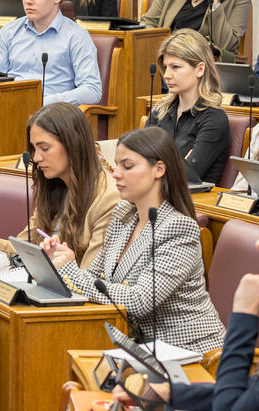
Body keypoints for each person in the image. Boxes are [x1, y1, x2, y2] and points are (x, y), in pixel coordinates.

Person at [44, 126, 226, 353]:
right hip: (137, 346)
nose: (116, 174)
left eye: (127, 166)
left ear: (158, 169)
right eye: (116, 165)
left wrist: (70, 270)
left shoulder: (179, 228)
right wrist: (60, 260)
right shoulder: (123, 215)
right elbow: (94, 278)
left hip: (189, 352)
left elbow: (140, 300)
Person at [112, 238, 259, 409]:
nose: (257, 243)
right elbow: (247, 394)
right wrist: (168, 393)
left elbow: (227, 407)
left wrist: (243, 316)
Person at [0, 103, 120, 268]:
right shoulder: (54, 185)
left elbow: (90, 275)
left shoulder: (109, 198)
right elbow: (26, 249)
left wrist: (64, 265)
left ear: (73, 145)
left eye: (44, 148)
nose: (36, 158)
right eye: (34, 149)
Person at [0, 0, 102, 105]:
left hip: (51, 112)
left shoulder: (77, 36)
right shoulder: (8, 32)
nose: (28, 1)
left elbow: (92, 90)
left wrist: (42, 102)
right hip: (9, 108)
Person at [146, 29, 230, 185]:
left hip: (190, 199)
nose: (166, 75)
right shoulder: (160, 111)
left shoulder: (214, 119)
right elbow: (140, 163)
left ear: (200, 69)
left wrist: (155, 166)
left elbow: (185, 177)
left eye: (176, 67)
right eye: (166, 67)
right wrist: (178, 163)